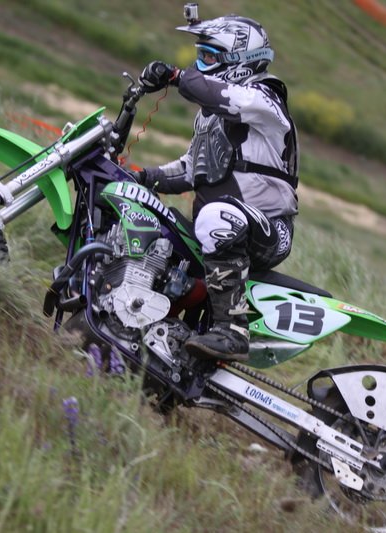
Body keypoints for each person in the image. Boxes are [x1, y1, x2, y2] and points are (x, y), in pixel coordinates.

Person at [133, 13, 299, 362]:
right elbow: (190, 169)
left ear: (240, 61)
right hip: (220, 225)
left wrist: (176, 77)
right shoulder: (212, 115)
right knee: (157, 223)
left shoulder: (265, 99)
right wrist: (141, 178)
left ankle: (233, 331)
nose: (200, 63)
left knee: (216, 216)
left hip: (270, 230)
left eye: (209, 56)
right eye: (200, 54)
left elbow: (223, 94)